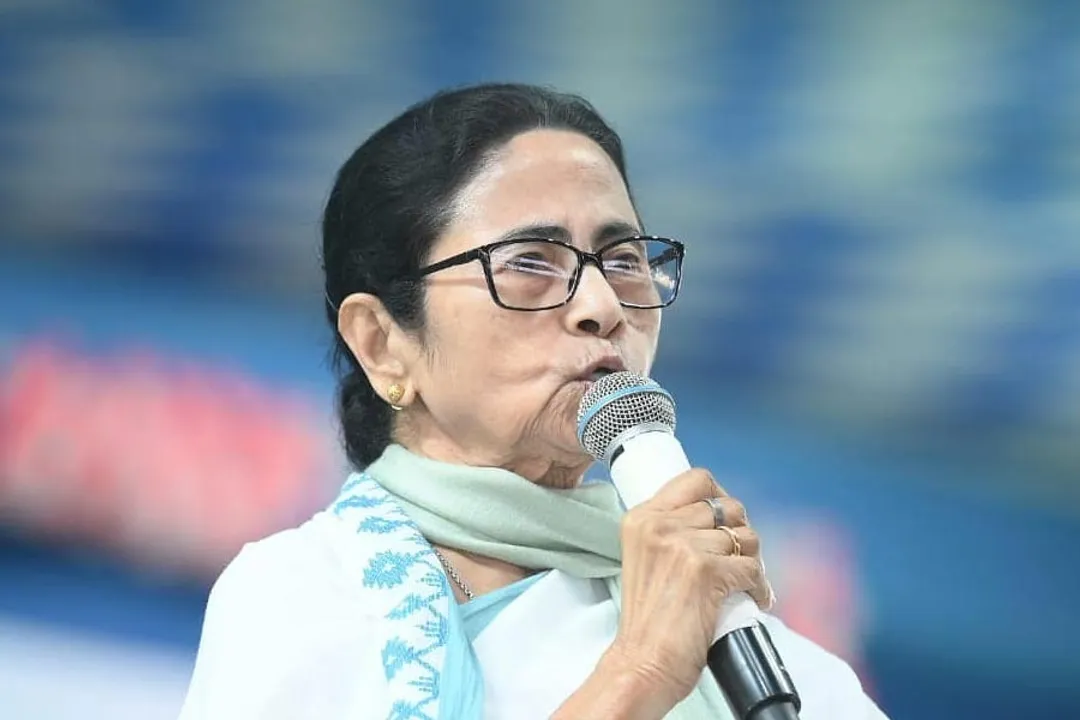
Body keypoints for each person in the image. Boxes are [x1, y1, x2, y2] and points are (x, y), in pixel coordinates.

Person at [178, 83, 888, 720]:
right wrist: (640, 673)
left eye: (624, 260)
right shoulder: (301, 597)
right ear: (383, 343)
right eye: (528, 262)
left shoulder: (774, 666)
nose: (602, 305)